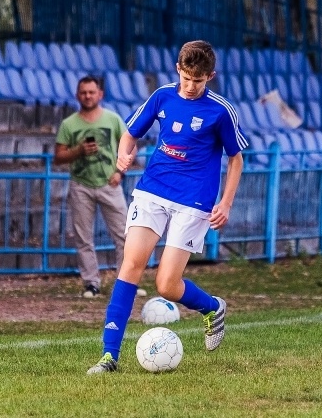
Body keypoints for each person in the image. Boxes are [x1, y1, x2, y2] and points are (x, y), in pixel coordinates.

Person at [87, 40, 247, 374]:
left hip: (194, 200)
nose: (190, 86)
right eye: (186, 78)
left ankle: (212, 308)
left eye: (198, 81)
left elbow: (236, 158)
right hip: (153, 191)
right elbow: (130, 134)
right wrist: (123, 155)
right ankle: (109, 356)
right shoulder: (161, 96)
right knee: (131, 265)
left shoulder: (221, 110)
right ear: (178, 70)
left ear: (210, 77)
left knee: (167, 285)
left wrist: (226, 202)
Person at [54, 75, 129, 299]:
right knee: (83, 238)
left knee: (125, 235)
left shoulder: (113, 119)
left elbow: (129, 147)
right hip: (81, 185)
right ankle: (91, 284)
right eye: (83, 92)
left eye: (91, 92)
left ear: (100, 94)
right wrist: (78, 151)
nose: (88, 96)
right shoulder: (69, 124)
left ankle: (124, 285)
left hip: (110, 183)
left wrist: (119, 171)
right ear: (77, 95)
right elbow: (58, 156)